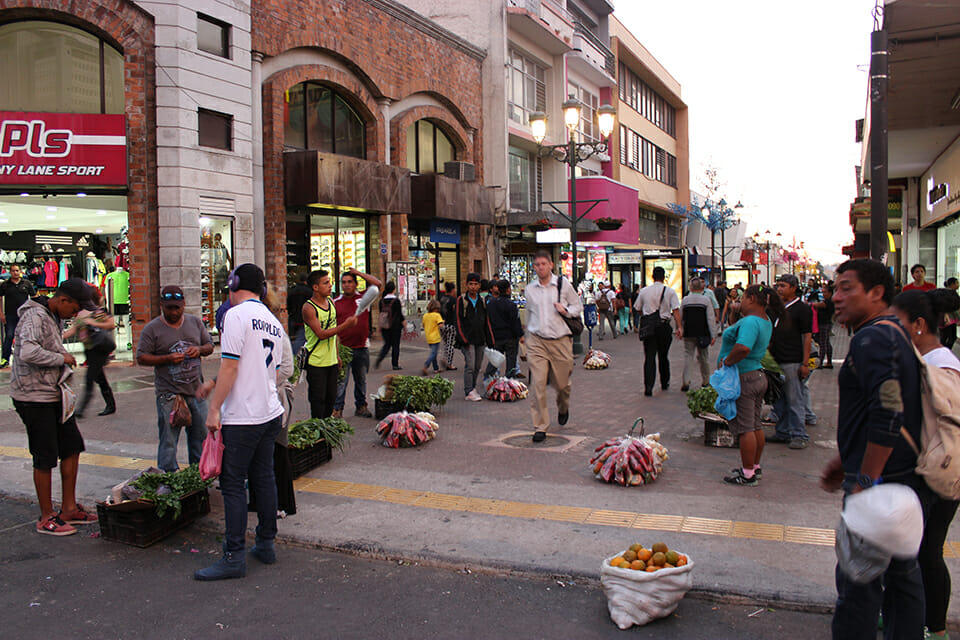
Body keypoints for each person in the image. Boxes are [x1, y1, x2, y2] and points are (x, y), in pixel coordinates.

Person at [820, 258, 931, 640]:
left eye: (847, 288)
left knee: (859, 586)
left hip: (881, 483)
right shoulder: (894, 333)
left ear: (876, 292)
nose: (836, 297)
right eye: (836, 288)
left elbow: (888, 413)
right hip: (899, 480)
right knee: (902, 579)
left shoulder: (872, 339)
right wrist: (844, 458)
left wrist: (864, 481)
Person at [195, 264, 287, 581]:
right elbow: (275, 370)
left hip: (243, 416)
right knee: (264, 478)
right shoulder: (272, 321)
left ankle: (233, 556)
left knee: (233, 484)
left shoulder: (236, 316)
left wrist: (213, 409)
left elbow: (231, 366)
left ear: (234, 286)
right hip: (269, 412)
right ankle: (265, 543)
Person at [891, 287, 960, 640]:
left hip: (937, 471)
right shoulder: (933, 359)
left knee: (927, 552)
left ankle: (934, 627)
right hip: (936, 468)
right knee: (918, 551)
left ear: (918, 324)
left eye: (898, 323)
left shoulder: (938, 365)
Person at [199, 282, 298, 518]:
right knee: (263, 470)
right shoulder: (268, 324)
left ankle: (278, 507)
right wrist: (216, 382)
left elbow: (283, 367)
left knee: (262, 466)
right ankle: (265, 518)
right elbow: (240, 365)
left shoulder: (256, 322)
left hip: (264, 405)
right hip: (266, 406)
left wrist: (259, 381)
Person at [12, 278, 98, 536]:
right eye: (75, 308)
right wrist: (61, 358)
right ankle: (46, 516)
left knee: (72, 447)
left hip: (55, 394)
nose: (75, 314)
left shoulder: (53, 315)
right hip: (33, 396)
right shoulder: (34, 316)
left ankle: (69, 508)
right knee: (45, 456)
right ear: (62, 300)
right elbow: (27, 352)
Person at [136, 285, 214, 472]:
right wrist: (167, 358)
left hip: (196, 392)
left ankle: (199, 473)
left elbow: (209, 345)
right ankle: (167, 475)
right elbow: (142, 357)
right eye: (169, 308)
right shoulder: (152, 329)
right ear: (161, 305)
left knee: (200, 437)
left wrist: (199, 350)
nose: (173, 312)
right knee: (169, 441)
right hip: (169, 394)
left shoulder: (195, 323)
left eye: (177, 308)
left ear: (184, 304)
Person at [718, 285, 782, 486]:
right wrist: (735, 313)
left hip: (744, 377)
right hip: (756, 375)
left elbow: (743, 347)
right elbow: (739, 333)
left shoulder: (751, 322)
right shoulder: (764, 320)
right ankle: (754, 466)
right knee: (755, 425)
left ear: (752, 299)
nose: (741, 301)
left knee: (745, 428)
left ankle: (747, 474)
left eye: (744, 298)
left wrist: (727, 361)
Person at [524, 250, 581, 442]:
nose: (540, 267)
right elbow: (530, 314)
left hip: (560, 341)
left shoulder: (563, 285)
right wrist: (526, 337)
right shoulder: (530, 289)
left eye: (543, 264)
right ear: (534, 267)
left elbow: (577, 306)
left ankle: (563, 406)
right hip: (537, 341)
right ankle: (540, 426)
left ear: (551, 265)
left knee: (562, 385)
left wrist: (565, 310)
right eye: (537, 264)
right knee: (537, 384)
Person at [302, 269, 357, 419]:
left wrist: (337, 355)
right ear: (315, 287)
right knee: (318, 401)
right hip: (316, 362)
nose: (330, 285)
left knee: (331, 399)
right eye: (326, 283)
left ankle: (327, 427)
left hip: (331, 361)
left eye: (330, 282)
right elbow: (321, 334)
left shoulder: (331, 303)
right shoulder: (309, 308)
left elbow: (334, 333)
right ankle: (318, 428)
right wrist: (346, 325)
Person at [767, 274, 812, 449]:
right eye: (778, 285)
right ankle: (783, 432)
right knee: (780, 400)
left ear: (793, 288)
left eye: (783, 286)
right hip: (775, 361)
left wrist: (805, 363)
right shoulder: (775, 308)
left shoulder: (802, 309)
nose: (779, 289)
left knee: (794, 399)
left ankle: (799, 434)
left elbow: (807, 337)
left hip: (792, 361)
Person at [332, 267, 381, 419]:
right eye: (344, 282)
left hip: (361, 348)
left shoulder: (364, 298)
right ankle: (337, 409)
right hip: (344, 349)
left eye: (349, 282)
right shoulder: (335, 302)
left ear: (355, 284)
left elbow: (377, 284)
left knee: (361, 380)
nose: (346, 285)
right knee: (341, 381)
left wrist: (359, 273)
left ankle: (361, 406)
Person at [66, 288, 116, 418]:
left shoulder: (98, 312)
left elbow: (111, 324)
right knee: (100, 378)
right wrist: (58, 336)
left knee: (90, 378)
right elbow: (74, 330)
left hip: (98, 349)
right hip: (89, 349)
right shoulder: (81, 313)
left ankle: (81, 409)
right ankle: (111, 405)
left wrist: (92, 322)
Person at [634, 266, 681, 396]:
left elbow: (638, 308)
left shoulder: (644, 291)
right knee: (663, 355)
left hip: (649, 327)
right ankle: (665, 382)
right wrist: (679, 327)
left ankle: (648, 387)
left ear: (652, 277)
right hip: (664, 325)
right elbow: (675, 310)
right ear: (664, 277)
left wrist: (647, 315)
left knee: (649, 356)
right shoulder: (670, 291)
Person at [454, 272, 494, 401]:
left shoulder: (482, 301)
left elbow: (487, 321)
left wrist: (490, 340)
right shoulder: (461, 300)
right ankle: (469, 391)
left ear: (479, 285)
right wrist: (463, 339)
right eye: (470, 284)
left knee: (477, 366)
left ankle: (473, 388)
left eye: (475, 284)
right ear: (467, 285)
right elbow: (458, 321)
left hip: (480, 339)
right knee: (470, 365)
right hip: (467, 339)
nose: (473, 286)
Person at [679, 277, 718, 392]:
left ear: (690, 287)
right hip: (703, 333)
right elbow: (710, 318)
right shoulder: (706, 300)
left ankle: (686, 381)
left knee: (688, 356)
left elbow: (680, 316)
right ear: (701, 287)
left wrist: (679, 329)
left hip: (689, 332)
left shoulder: (685, 300)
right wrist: (713, 334)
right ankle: (706, 381)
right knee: (704, 357)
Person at [484, 279, 524, 379]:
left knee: (494, 360)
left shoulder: (491, 304)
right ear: (508, 289)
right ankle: (509, 381)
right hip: (511, 337)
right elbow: (515, 322)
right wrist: (520, 335)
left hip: (496, 336)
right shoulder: (511, 305)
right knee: (511, 362)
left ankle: (488, 379)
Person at [0, 264, 35, 368]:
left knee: (26, 337)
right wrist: (1, 314)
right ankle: (5, 359)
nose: (15, 273)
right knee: (9, 336)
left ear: (20, 271)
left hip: (25, 315)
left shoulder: (27, 283)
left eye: (17, 271)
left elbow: (34, 298)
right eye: (13, 271)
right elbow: (0, 299)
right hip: (10, 315)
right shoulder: (5, 285)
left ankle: (28, 359)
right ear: (10, 272)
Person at [375, 281, 403, 370]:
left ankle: (380, 357)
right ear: (394, 289)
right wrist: (403, 323)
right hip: (395, 327)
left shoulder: (381, 301)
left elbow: (381, 313)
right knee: (395, 346)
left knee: (387, 344)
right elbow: (399, 314)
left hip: (385, 326)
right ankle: (395, 364)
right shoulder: (396, 301)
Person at [811, 282, 836, 369]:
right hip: (825, 324)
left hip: (824, 324)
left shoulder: (828, 302)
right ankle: (829, 362)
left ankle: (821, 362)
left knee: (823, 343)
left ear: (830, 293)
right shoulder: (828, 301)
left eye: (825, 292)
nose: (823, 294)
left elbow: (816, 305)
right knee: (826, 343)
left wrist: (810, 304)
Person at [286, 272, 311, 354]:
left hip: (293, 318)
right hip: (304, 319)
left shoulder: (292, 291)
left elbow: (288, 305)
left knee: (293, 338)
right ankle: (295, 355)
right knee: (300, 339)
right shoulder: (309, 291)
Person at [438, 282, 458, 371]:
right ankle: (449, 363)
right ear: (453, 290)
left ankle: (444, 358)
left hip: (442, 324)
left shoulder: (441, 298)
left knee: (446, 344)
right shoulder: (453, 300)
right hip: (451, 324)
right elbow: (455, 310)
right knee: (450, 344)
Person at [421, 299, 444, 376]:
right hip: (435, 337)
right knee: (433, 353)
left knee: (434, 353)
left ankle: (436, 368)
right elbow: (440, 325)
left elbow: (423, 325)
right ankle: (426, 366)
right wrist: (443, 322)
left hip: (428, 337)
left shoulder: (425, 316)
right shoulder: (437, 315)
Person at [940, 277, 960, 350]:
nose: (958, 285)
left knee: (947, 337)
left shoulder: (951, 292)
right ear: (952, 284)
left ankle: (944, 350)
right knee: (949, 337)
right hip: (949, 319)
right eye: (957, 283)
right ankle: (945, 351)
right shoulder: (948, 293)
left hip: (951, 319)